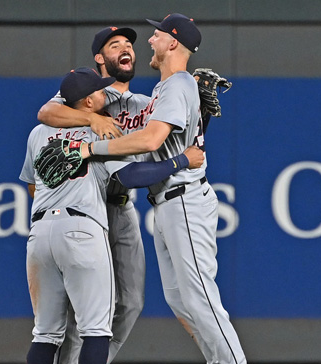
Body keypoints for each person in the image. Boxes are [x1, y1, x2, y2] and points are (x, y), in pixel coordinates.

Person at [80, 13, 247, 364]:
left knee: (199, 297)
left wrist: (94, 148)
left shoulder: (175, 85)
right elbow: (178, 145)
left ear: (172, 42)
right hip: (169, 200)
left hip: (183, 198)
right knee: (179, 298)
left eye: (156, 35)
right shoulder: (167, 87)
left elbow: (153, 138)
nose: (150, 41)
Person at [20, 67, 204, 364]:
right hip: (81, 229)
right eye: (100, 90)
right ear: (88, 102)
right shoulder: (102, 129)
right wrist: (181, 160)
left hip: (39, 234)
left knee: (45, 334)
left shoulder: (37, 133)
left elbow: (31, 185)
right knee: (95, 330)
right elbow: (132, 176)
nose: (106, 92)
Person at [37, 26, 151, 364]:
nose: (124, 48)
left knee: (130, 302)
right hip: (91, 207)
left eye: (128, 43)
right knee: (81, 310)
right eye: (114, 45)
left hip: (123, 207)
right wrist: (91, 117)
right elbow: (46, 113)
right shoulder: (86, 93)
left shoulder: (145, 103)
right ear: (100, 58)